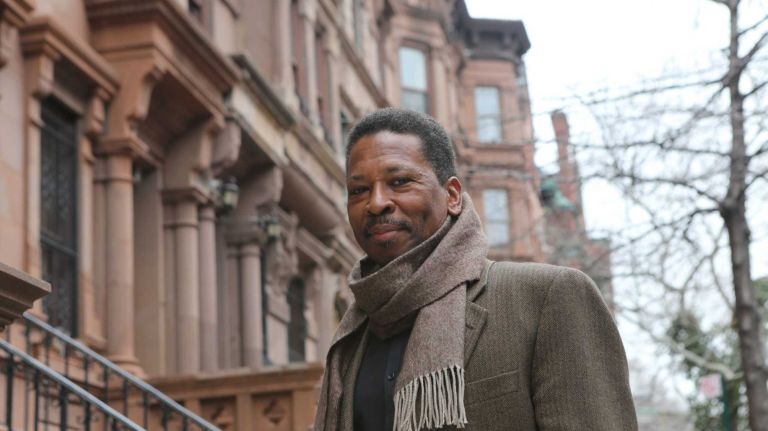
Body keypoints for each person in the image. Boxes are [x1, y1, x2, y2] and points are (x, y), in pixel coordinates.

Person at [313, 108, 638, 431]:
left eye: (399, 182)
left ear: (452, 196)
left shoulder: (546, 298)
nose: (376, 202)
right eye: (359, 191)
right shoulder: (351, 339)